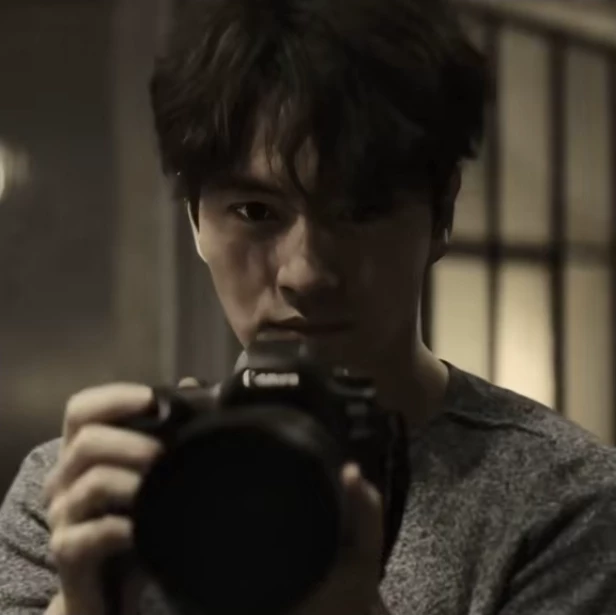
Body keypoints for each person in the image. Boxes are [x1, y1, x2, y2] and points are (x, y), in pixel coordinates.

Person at [1, 0, 616, 613]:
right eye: (255, 212)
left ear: (441, 216)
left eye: (360, 211)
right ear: (194, 219)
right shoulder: (87, 496)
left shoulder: (563, 501)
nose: (307, 273)